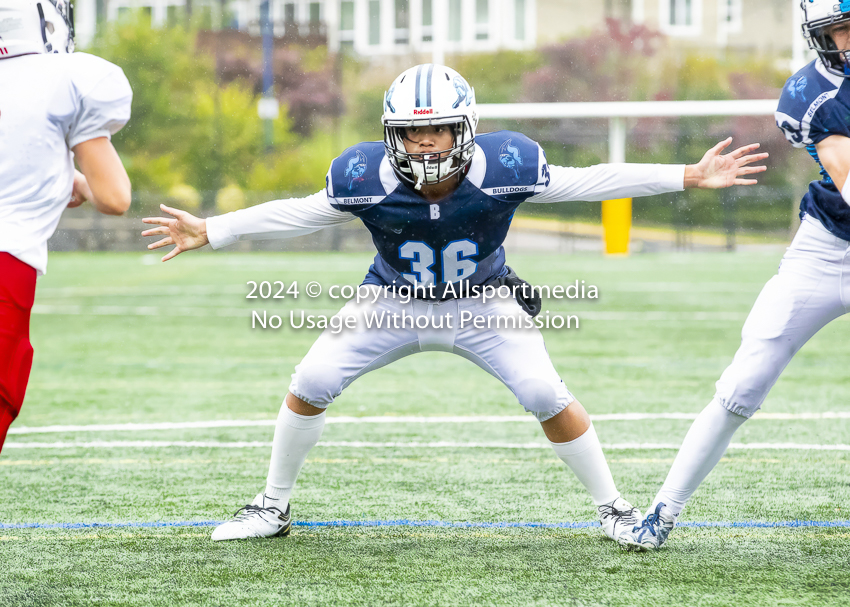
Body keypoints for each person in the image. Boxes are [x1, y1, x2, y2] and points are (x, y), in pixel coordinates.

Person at [142, 64, 766, 542]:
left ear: (465, 128)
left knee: (547, 394)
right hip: (390, 299)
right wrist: (215, 229)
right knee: (311, 379)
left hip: (484, 301)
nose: (425, 145)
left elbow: (589, 180)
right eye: (411, 133)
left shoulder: (504, 164)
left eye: (437, 129)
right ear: (392, 136)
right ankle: (272, 507)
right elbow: (301, 212)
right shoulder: (365, 176)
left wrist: (685, 175)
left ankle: (615, 509)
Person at [620, 0, 850, 551]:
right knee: (743, 383)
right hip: (827, 250)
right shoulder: (814, 94)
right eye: (838, 30)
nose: (847, 41)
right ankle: (662, 511)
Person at [0, 0, 132, 452]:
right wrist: (77, 167)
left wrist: (62, 177)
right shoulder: (64, 79)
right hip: (7, 265)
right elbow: (115, 199)